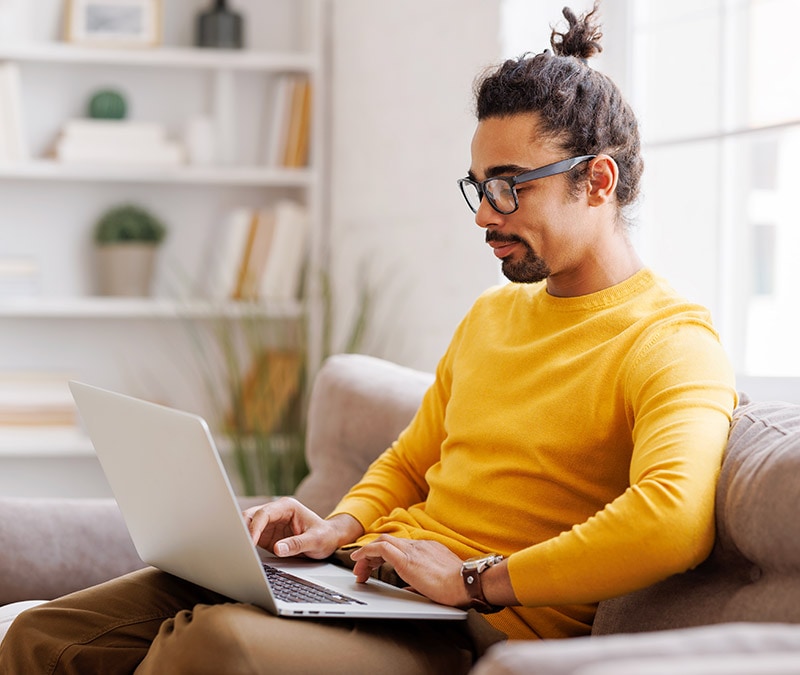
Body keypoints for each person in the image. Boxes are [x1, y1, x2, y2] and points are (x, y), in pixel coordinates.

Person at [0, 4, 737, 674]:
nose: (485, 214)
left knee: (210, 643)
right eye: (478, 187)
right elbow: (412, 458)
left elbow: (670, 521)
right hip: (371, 585)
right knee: (39, 635)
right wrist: (338, 524)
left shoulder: (671, 340)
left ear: (598, 182)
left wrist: (473, 578)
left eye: (510, 185)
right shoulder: (492, 316)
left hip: (468, 628)